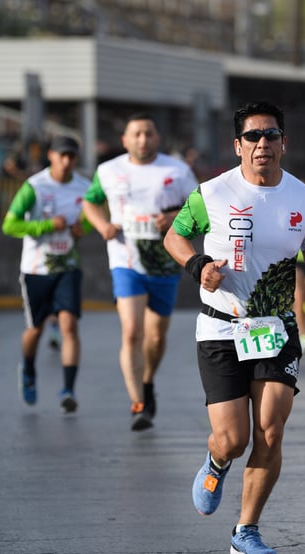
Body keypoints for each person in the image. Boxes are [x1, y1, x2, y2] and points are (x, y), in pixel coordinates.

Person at [164, 100, 305, 554]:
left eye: (272, 135)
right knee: (234, 439)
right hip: (221, 327)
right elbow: (174, 238)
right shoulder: (212, 193)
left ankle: (246, 530)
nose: (264, 144)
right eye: (254, 136)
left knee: (271, 431)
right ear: (237, 145)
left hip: (276, 328)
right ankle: (217, 461)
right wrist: (198, 264)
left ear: (284, 142)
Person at [83, 113, 198, 431]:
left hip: (164, 261)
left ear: (157, 138)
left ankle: (147, 382)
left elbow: (203, 208)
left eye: (148, 133)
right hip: (125, 259)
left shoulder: (177, 170)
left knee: (156, 336)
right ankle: (137, 404)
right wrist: (103, 225)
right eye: (136, 134)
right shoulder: (108, 170)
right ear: (125, 140)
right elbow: (90, 202)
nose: (142, 140)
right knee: (132, 331)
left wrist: (175, 216)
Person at [1, 136, 91, 414]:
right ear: (51, 155)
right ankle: (28, 368)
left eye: (71, 157)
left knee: (69, 326)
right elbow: (10, 225)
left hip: (68, 267)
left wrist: (81, 229)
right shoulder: (35, 187)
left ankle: (68, 390)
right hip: (37, 268)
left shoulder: (84, 187)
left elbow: (89, 220)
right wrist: (45, 226)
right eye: (61, 155)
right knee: (36, 329)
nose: (66, 162)